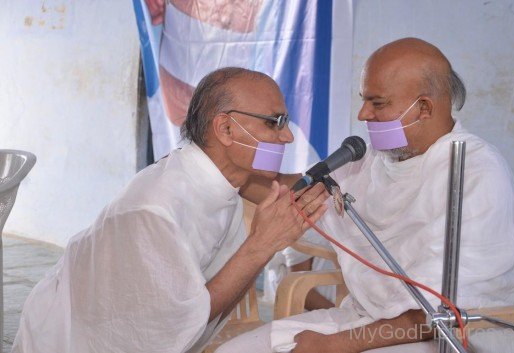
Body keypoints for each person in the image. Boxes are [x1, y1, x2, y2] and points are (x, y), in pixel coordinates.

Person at [217, 38, 514, 353]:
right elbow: (300, 191)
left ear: (424, 108)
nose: (363, 114)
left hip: (461, 334)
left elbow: (439, 312)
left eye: (377, 103)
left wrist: (334, 346)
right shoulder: (375, 159)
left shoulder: (474, 172)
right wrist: (227, 168)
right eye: (364, 99)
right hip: (368, 320)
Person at [11, 67, 329, 353]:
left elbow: (199, 309)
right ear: (226, 129)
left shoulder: (221, 181)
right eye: (275, 122)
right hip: (69, 339)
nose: (287, 136)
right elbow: (171, 324)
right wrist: (261, 246)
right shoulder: (155, 209)